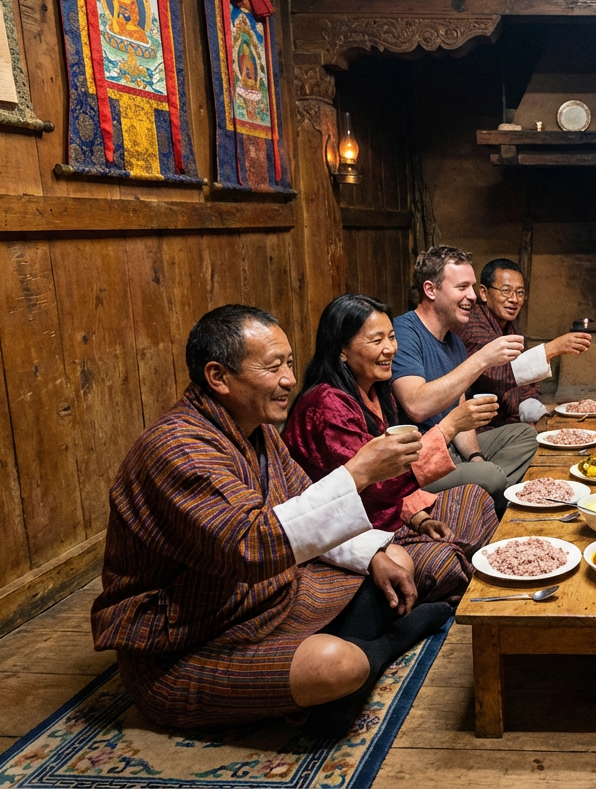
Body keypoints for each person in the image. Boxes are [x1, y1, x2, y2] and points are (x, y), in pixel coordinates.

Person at [92, 305, 454, 735]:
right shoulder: (177, 449)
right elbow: (251, 545)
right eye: (272, 367)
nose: (288, 379)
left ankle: (325, 675)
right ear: (218, 377)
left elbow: (300, 505)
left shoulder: (258, 431)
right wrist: (359, 472)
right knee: (339, 666)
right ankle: (381, 648)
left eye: (287, 362)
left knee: (394, 558)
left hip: (264, 598)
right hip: (188, 642)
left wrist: (371, 555)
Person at [284, 294, 499, 605]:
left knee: (475, 497)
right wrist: (450, 427)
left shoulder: (375, 391)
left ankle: (454, 571)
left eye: (392, 337)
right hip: (351, 533)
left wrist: (420, 519)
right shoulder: (326, 404)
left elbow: (393, 487)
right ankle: (448, 581)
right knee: (441, 563)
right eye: (376, 340)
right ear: (342, 350)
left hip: (390, 517)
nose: (390, 349)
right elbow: (375, 484)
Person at [391, 246, 540, 507]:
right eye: (462, 287)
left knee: (525, 436)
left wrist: (474, 456)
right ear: (430, 290)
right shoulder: (404, 331)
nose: (472, 296)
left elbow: (460, 412)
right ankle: (497, 496)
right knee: (490, 476)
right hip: (419, 460)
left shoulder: (454, 341)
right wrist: (481, 359)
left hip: (453, 449)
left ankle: (484, 493)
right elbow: (416, 405)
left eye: (472, 287)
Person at [455, 258, 591, 430]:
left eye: (520, 293)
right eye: (506, 291)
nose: (514, 299)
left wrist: (536, 412)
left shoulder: (511, 326)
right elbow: (496, 376)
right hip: (478, 429)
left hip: (510, 421)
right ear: (484, 293)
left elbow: (527, 383)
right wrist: (551, 349)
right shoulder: (472, 324)